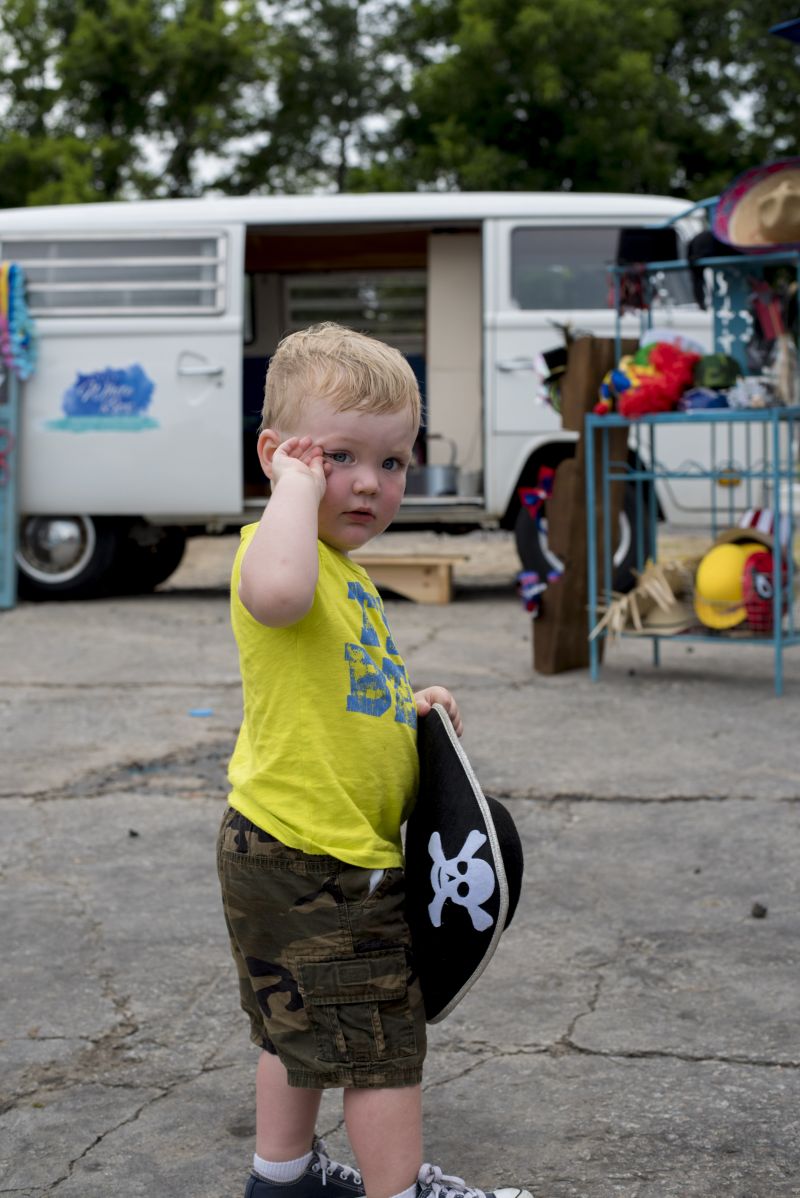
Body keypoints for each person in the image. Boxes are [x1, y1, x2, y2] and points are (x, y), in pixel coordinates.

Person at [217, 323, 532, 1198]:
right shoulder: (277, 553)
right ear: (278, 456)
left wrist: (409, 708)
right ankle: (400, 1193)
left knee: (300, 1025)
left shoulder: (344, 572)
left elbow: (337, 688)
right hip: (319, 856)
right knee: (381, 1042)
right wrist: (291, 486)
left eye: (392, 463)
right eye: (341, 457)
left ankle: (282, 1177)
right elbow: (277, 600)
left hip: (298, 846)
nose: (368, 483)